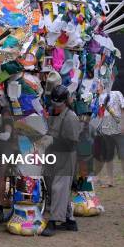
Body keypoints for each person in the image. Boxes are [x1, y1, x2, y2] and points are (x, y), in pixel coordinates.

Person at [42, 85, 81, 237]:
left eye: (59, 105)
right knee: (52, 185)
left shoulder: (71, 117)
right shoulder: (54, 113)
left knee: (59, 187)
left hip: (66, 156)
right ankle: (69, 220)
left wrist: (52, 140)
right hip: (53, 155)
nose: (56, 107)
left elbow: (71, 143)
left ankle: (53, 222)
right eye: (54, 104)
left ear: (65, 102)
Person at [94, 90, 124, 187]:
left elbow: (123, 109)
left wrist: (123, 124)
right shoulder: (99, 97)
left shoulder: (117, 93)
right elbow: (101, 114)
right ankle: (110, 180)